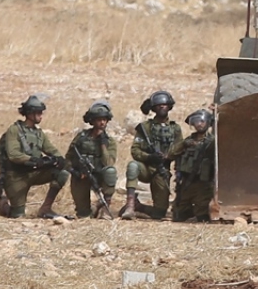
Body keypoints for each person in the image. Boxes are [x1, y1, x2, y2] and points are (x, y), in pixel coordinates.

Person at [0, 95, 69, 219]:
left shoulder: (39, 133)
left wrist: (59, 159)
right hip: (16, 176)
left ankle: (46, 208)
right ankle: (4, 206)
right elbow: (13, 154)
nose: (41, 116)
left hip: (34, 173)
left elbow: (51, 149)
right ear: (30, 113)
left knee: (62, 172)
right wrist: (32, 160)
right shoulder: (14, 130)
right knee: (17, 215)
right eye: (39, 113)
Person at [123, 90, 182, 220]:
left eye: (165, 104)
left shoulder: (175, 129)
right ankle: (130, 205)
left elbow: (180, 150)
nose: (162, 107)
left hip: (162, 171)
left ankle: (139, 207)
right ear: (153, 108)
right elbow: (135, 150)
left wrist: (168, 157)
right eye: (158, 105)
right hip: (146, 168)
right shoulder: (145, 127)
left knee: (159, 213)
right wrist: (149, 157)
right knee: (133, 166)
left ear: (169, 106)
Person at [67, 101, 118, 220]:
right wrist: (74, 171)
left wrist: (103, 144)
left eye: (104, 119)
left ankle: (105, 208)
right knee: (83, 215)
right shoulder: (81, 137)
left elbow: (109, 163)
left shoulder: (109, 141)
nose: (102, 122)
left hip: (99, 175)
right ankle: (94, 208)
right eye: (99, 119)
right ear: (92, 121)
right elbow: (68, 157)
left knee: (110, 171)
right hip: (82, 176)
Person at [170, 108, 216, 222]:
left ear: (208, 123)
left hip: (203, 184)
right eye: (196, 121)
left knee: (203, 216)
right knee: (178, 215)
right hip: (186, 182)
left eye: (202, 121)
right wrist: (183, 144)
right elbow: (171, 154)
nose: (199, 124)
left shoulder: (212, 141)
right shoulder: (187, 141)